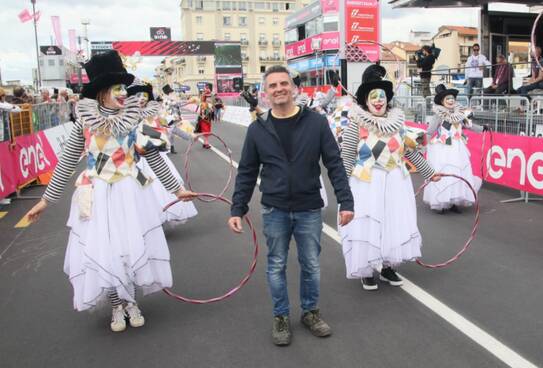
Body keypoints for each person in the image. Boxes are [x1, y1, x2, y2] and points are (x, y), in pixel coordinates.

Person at [23, 50, 195, 332]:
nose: (123, 93)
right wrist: (45, 200)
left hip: (131, 192)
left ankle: (131, 302)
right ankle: (116, 305)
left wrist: (177, 190)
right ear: (102, 92)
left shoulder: (135, 119)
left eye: (123, 88)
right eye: (117, 88)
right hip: (97, 195)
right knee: (106, 251)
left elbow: (151, 156)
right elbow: (66, 162)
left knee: (130, 247)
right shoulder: (84, 123)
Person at [228, 65, 354, 347]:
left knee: (310, 264)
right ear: (265, 93)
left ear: (294, 88)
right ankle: (281, 316)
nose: (279, 89)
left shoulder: (316, 123)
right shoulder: (258, 129)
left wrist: (346, 201)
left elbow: (334, 163)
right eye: (272, 86)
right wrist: (238, 208)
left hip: (309, 206)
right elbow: (247, 172)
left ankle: (310, 312)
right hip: (274, 209)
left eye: (283, 83)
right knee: (276, 265)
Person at [339, 64, 441, 291]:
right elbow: (346, 157)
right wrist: (342, 190)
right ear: (365, 100)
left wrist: (430, 173)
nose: (378, 100)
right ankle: (366, 269)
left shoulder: (397, 123)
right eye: (373, 96)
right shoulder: (356, 123)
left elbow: (410, 151)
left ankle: (386, 266)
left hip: (396, 180)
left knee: (392, 222)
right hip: (366, 182)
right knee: (367, 224)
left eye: (382, 95)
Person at [134, 84, 198, 226]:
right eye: (137, 95)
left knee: (156, 188)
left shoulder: (155, 116)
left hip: (153, 160)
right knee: (142, 192)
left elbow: (171, 126)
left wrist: (188, 136)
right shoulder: (127, 120)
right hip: (133, 166)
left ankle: (156, 219)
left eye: (144, 95)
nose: (141, 99)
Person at [423, 85, 481, 213]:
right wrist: (424, 146)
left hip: (458, 147)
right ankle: (441, 201)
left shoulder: (459, 114)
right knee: (444, 173)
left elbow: (468, 125)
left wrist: (482, 128)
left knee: (458, 174)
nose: (450, 100)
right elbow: (429, 131)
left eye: (452, 98)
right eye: (447, 98)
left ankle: (454, 200)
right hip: (443, 148)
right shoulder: (439, 115)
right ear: (442, 101)